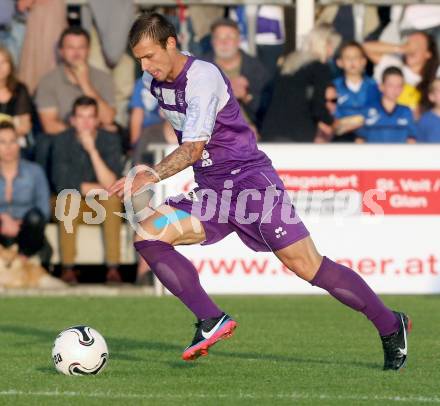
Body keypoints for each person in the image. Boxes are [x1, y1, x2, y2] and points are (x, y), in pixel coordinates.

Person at [109, 12, 411, 370]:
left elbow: (192, 149)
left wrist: (151, 175)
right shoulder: (154, 81)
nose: (145, 65)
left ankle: (392, 326)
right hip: (212, 190)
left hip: (249, 181)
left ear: (171, 43)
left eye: (149, 56)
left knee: (308, 267)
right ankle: (211, 319)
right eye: (139, 58)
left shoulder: (202, 78)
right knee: (148, 234)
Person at [51, 96, 123, 284]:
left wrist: (92, 150)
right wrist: (94, 188)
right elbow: (61, 183)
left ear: (98, 120)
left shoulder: (110, 140)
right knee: (69, 198)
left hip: (99, 203)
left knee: (112, 200)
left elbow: (112, 184)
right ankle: (68, 268)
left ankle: (113, 268)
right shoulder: (61, 141)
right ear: (72, 120)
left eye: (90, 117)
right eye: (81, 117)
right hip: (69, 201)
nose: (85, 123)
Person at [261, 24, 340, 142]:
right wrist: (332, 123)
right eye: (332, 47)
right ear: (325, 44)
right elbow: (318, 106)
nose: (332, 53)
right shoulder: (319, 68)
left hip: (271, 130)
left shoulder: (288, 63)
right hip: (298, 132)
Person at [35, 26, 116, 135]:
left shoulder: (103, 78)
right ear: (61, 51)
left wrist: (85, 84)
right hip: (64, 139)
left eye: (81, 47)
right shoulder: (48, 81)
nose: (76, 53)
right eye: (70, 48)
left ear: (88, 50)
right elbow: (50, 126)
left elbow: (107, 119)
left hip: (97, 138)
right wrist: (82, 132)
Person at [204, 18, 270, 131]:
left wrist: (246, 96)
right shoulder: (200, 67)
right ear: (212, 42)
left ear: (239, 40)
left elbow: (267, 110)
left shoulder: (256, 69)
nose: (224, 43)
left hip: (248, 130)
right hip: (210, 131)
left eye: (229, 37)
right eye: (218, 37)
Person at [0, 121, 51, 265]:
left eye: (12, 141)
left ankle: (22, 259)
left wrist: (19, 223)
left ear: (19, 144)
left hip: (27, 231)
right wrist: (3, 218)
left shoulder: (35, 171)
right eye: (2, 142)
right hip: (1, 229)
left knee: (35, 218)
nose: (8, 147)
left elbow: (44, 210)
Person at [364, 31, 439, 115]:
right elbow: (364, 47)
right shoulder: (392, 63)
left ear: (428, 54)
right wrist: (401, 48)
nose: (412, 48)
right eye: (409, 43)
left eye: (417, 45)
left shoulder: (431, 83)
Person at [332, 41, 381, 142]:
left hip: (369, 139)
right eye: (348, 58)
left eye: (356, 57)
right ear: (339, 62)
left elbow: (377, 114)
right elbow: (332, 118)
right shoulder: (333, 87)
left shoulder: (374, 86)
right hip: (342, 140)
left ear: (364, 61)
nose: (352, 61)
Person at [356, 67, 416, 143]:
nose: (395, 89)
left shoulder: (406, 111)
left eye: (399, 86)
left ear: (403, 88)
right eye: (390, 85)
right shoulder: (367, 110)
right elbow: (360, 139)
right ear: (381, 87)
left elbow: (411, 139)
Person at [0, 46, 33, 142]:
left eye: (4, 62)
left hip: (15, 141)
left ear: (10, 65)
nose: (0, 67)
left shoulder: (20, 89)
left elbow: (24, 126)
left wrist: (5, 140)